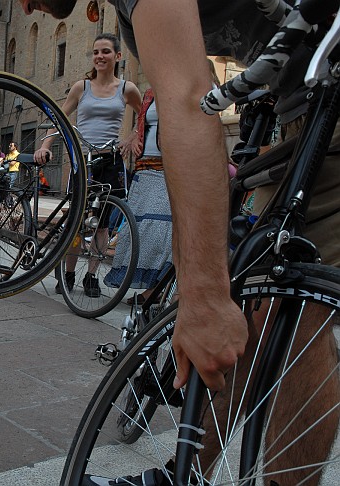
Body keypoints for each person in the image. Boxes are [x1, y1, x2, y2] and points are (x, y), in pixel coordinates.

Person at [21, 1, 340, 485]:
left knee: (295, 312)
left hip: (325, 102)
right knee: (259, 307)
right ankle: (189, 472)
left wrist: (204, 292)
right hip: (305, 103)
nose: (26, 6)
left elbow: (192, 99)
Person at [35, 33, 141, 297]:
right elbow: (60, 117)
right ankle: (68, 274)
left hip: (111, 160)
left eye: (106, 52)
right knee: (77, 220)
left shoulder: (127, 88)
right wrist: (45, 146)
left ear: (117, 56)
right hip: (84, 160)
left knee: (103, 223)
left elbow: (145, 112)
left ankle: (91, 276)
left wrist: (133, 136)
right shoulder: (81, 87)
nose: (100, 57)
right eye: (96, 52)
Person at [104, 87, 172, 303]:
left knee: (161, 230)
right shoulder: (151, 92)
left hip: (170, 169)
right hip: (144, 168)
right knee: (137, 230)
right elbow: (143, 122)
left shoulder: (183, 85)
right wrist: (133, 136)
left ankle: (156, 290)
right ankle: (153, 287)